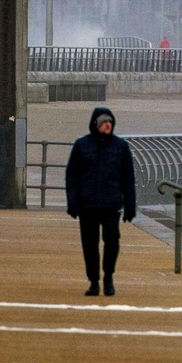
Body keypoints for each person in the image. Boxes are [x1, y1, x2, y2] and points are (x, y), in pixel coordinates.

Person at [65, 107, 136, 297]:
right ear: (96, 124)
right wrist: (72, 202)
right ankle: (94, 281)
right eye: (104, 122)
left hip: (111, 205)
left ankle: (109, 277)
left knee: (112, 242)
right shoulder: (82, 145)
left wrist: (130, 206)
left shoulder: (121, 147)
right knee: (89, 244)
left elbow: (128, 179)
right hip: (87, 205)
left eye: (110, 122)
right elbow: (71, 176)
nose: (108, 125)